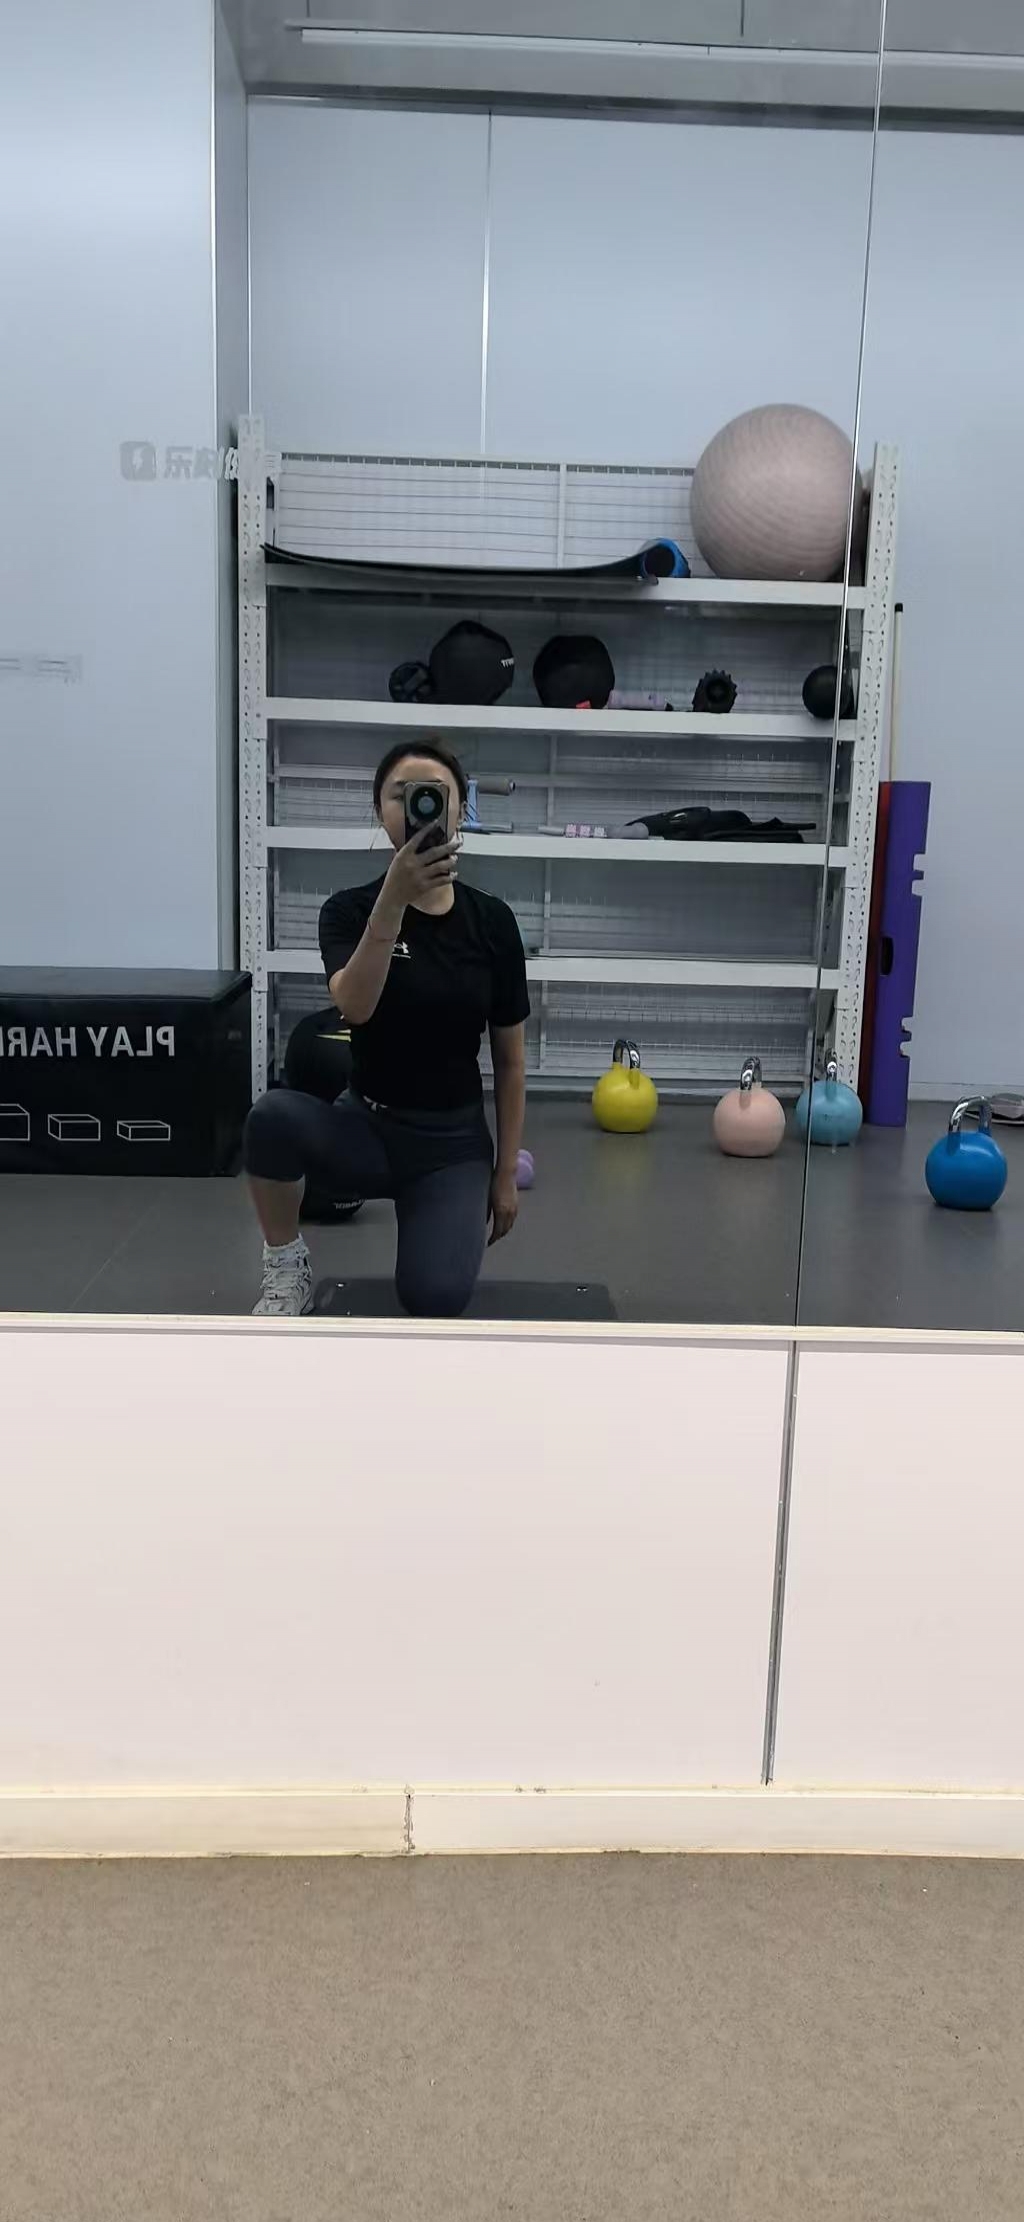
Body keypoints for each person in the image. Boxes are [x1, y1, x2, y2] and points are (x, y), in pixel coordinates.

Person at [244, 738, 530, 1317]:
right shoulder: (348, 910)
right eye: (402, 795)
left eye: (436, 794)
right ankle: (286, 1264)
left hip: (451, 1146)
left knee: (435, 1298)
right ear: (380, 812)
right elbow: (355, 1007)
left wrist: (504, 1175)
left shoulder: (492, 922)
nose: (419, 806)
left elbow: (510, 1060)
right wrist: (393, 903)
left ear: (460, 809)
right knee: (271, 1118)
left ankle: (432, 1211)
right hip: (367, 1127)